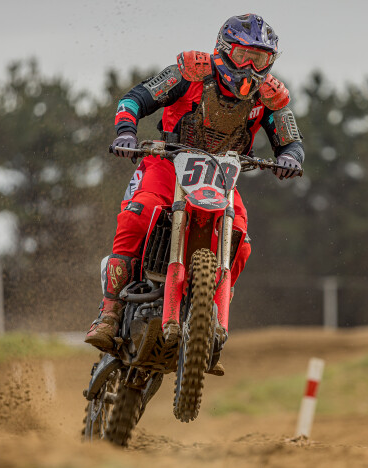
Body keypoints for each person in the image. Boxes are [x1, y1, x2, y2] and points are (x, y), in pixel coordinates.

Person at [85, 13, 305, 352]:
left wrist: (290, 157)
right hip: (167, 164)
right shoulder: (190, 72)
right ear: (224, 49)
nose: (250, 68)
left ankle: (209, 315)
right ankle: (109, 312)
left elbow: (291, 139)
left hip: (222, 176)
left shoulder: (269, 96)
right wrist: (127, 131)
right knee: (138, 214)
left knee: (241, 241)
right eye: (244, 56)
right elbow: (136, 98)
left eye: (259, 60)